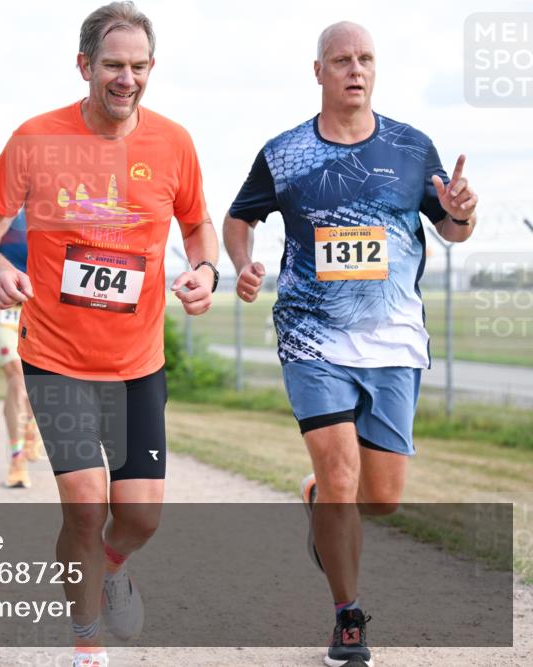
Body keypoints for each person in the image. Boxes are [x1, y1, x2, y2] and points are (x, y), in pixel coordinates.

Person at [0, 4, 217, 665]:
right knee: (82, 502)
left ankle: (113, 563)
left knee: (138, 518)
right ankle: (86, 640)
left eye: (138, 66)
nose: (126, 79)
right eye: (112, 66)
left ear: (151, 68)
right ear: (84, 66)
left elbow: (197, 225)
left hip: (136, 363)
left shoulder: (174, 142)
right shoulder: (36, 139)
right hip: (57, 357)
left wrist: (206, 269)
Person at [223, 21, 477, 667]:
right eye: (341, 60)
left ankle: (316, 498)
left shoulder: (412, 146)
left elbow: (452, 229)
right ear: (319, 72)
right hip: (312, 334)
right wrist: (244, 262)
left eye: (365, 59)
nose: (355, 70)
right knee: (341, 477)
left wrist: (462, 210)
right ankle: (348, 614)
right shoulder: (285, 153)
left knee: (382, 497)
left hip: (392, 337)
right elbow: (239, 216)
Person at [0, 209, 44, 490]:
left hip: (38, 314)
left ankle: (30, 429)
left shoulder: (49, 215)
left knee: (35, 383)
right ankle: (17, 462)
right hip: (1, 312)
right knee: (17, 379)